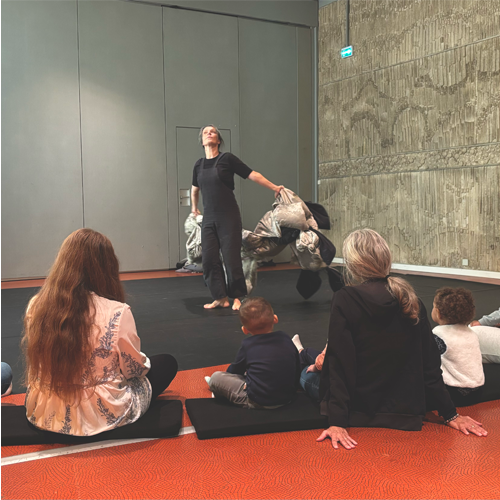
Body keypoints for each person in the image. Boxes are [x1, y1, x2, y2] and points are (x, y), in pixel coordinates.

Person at [317, 229, 487, 450]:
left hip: (360, 407)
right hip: (406, 410)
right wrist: (450, 414)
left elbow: (341, 363)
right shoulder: (410, 298)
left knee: (307, 375)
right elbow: (430, 363)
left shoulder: (344, 299)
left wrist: (338, 422)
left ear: (352, 265)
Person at [22, 229, 178, 437]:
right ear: (106, 267)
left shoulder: (36, 306)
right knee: (166, 363)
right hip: (99, 413)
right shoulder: (117, 311)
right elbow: (133, 370)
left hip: (46, 411)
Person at [191, 125, 283, 311]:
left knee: (231, 258)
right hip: (209, 219)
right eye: (205, 132)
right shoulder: (198, 165)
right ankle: (220, 298)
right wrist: (194, 208)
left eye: (213, 132)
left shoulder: (227, 159)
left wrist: (274, 187)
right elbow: (195, 189)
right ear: (202, 141)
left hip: (228, 216)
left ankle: (237, 297)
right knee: (209, 260)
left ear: (218, 140)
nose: (209, 134)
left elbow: (252, 174)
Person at [207, 297, 300, 408]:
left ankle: (220, 392)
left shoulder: (248, 345)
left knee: (216, 378)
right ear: (275, 319)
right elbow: (297, 367)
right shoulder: (285, 338)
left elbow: (235, 371)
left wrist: (227, 378)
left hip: (258, 401)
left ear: (245, 330)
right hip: (288, 398)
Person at [431, 288, 484, 405]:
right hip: (477, 391)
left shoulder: (439, 334)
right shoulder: (471, 333)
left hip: (454, 393)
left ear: (438, 313)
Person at [291, 335, 327, 402]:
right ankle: (300, 351)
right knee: (307, 353)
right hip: (340, 376)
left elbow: (324, 363)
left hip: (335, 390)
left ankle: (300, 351)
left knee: (305, 370)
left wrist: (315, 367)